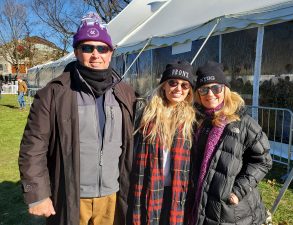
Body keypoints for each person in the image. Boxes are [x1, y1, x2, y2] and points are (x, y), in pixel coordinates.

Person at [19, 12, 136, 225]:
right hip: (71, 196)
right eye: (87, 47)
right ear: (76, 51)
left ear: (111, 53)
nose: (95, 54)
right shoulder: (53, 93)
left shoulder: (125, 93)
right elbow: (33, 147)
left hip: (113, 195)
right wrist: (37, 194)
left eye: (102, 48)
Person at [186, 61, 273, 225]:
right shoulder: (196, 121)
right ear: (198, 93)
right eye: (204, 89)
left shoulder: (243, 122)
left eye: (215, 88)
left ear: (225, 89)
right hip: (199, 204)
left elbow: (263, 161)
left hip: (231, 212)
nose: (210, 94)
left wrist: (237, 191)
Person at [132, 61, 196, 225]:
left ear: (189, 91)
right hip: (147, 184)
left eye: (184, 85)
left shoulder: (192, 119)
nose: (178, 89)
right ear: (164, 85)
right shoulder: (145, 111)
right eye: (173, 82)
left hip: (177, 188)